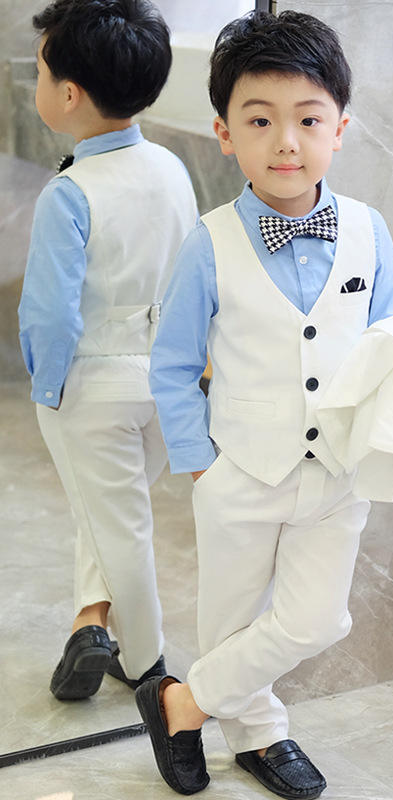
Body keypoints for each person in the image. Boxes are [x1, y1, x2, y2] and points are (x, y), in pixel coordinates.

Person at [139, 10, 393, 797]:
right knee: (229, 620)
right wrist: (201, 465)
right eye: (260, 121)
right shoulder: (209, 242)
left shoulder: (368, 232)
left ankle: (182, 702)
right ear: (225, 133)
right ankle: (260, 734)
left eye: (308, 120)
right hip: (239, 470)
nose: (286, 142)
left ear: (340, 129)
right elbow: (172, 365)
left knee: (318, 618)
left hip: (337, 474)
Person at [18, 0, 198, 701]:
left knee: (119, 528)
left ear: (69, 95)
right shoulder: (172, 169)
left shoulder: (69, 192)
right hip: (164, 381)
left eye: (40, 74)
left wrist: (49, 390)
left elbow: (50, 314)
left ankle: (149, 667)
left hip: (92, 385)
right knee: (112, 511)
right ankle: (90, 623)